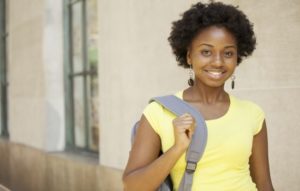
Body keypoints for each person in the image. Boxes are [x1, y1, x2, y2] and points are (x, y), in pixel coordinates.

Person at [123, 1, 274, 191]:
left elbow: (264, 184)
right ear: (188, 56)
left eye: (228, 53)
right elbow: (132, 186)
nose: (218, 62)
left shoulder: (253, 113)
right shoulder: (159, 112)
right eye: (206, 52)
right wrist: (177, 148)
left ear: (238, 57)